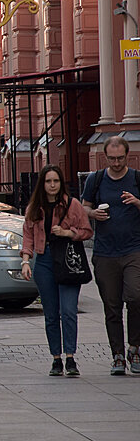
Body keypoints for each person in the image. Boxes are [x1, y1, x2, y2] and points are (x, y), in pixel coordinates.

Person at [21, 164, 92, 377]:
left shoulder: (73, 205)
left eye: (56, 181)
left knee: (68, 311)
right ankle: (56, 359)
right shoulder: (34, 208)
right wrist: (25, 261)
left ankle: (71, 357)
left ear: (61, 183)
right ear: (42, 184)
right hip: (44, 262)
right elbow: (28, 237)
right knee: (51, 314)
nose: (52, 185)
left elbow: (87, 231)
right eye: (48, 181)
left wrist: (67, 232)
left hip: (68, 261)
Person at [82, 136, 140, 375]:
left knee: (136, 296)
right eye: (112, 158)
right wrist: (93, 213)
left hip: (134, 249)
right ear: (106, 157)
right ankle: (117, 355)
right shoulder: (95, 180)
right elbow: (83, 207)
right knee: (112, 306)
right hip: (105, 252)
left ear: (127, 156)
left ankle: (135, 347)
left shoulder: (136, 178)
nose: (116, 163)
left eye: (120, 158)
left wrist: (137, 202)